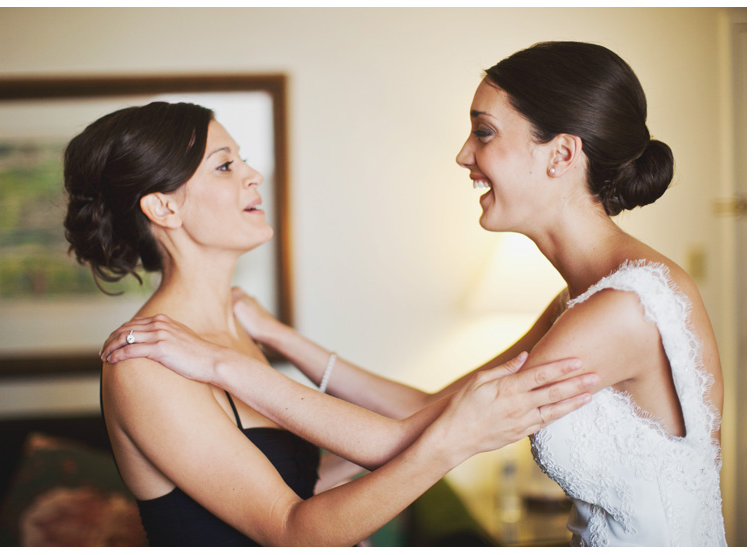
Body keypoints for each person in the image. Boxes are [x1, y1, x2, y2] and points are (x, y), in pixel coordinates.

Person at [102, 42, 726, 547]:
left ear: (562, 155)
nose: (463, 155)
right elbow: (428, 412)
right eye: (223, 165)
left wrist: (223, 364)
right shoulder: (582, 301)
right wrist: (281, 339)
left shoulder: (619, 312)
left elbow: (402, 439)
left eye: (483, 132)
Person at [66, 101, 596, 547]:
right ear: (163, 207)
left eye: (243, 161)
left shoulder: (234, 331)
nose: (253, 175)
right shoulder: (146, 363)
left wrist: (547, 329)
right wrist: (458, 438)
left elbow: (317, 478)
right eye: (225, 166)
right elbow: (292, 530)